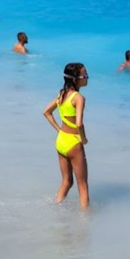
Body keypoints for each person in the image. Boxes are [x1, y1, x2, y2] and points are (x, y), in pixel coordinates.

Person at [42, 63, 90, 208]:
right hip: (73, 143)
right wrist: (83, 139)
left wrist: (59, 130)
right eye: (84, 75)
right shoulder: (79, 98)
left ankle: (56, 208)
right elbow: (79, 124)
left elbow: (46, 112)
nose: (87, 77)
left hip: (61, 140)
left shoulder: (61, 95)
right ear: (75, 79)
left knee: (67, 182)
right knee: (83, 186)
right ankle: (85, 220)